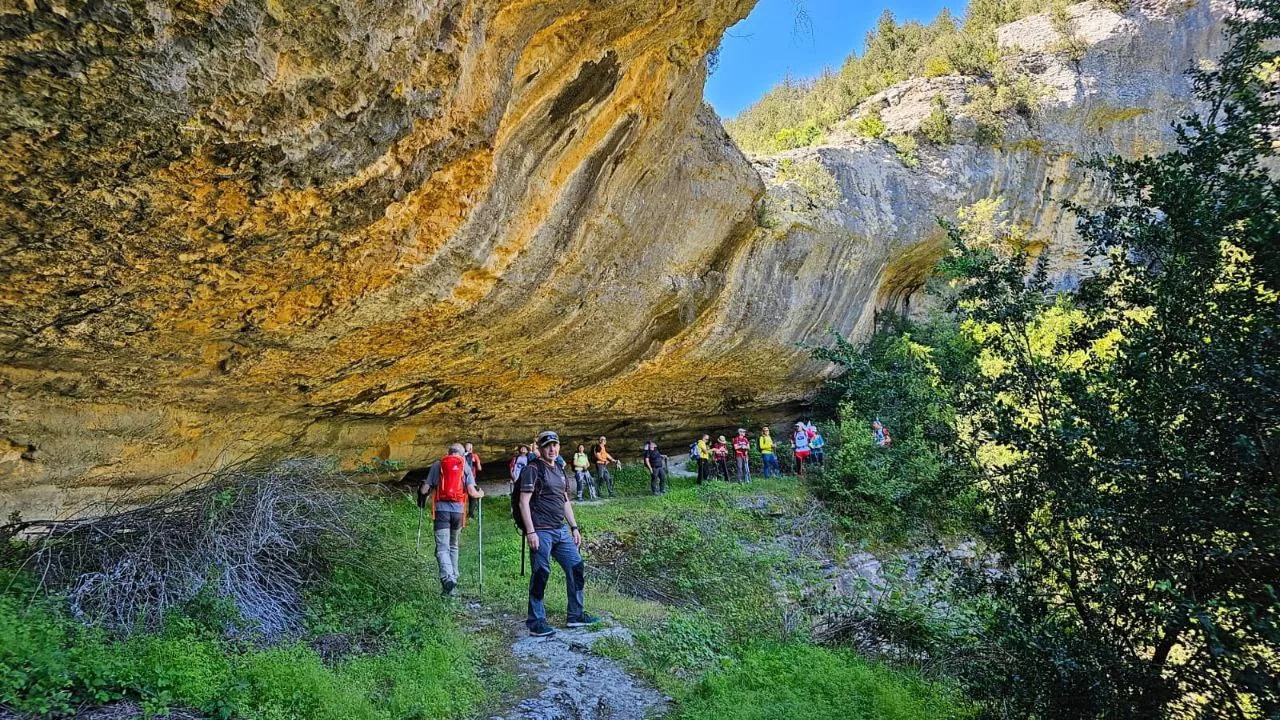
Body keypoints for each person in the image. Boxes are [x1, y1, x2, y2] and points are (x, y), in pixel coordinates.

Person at [518, 431, 598, 636]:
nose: (552, 449)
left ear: (559, 447)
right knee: (541, 573)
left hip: (560, 530)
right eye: (547, 446)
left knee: (576, 566)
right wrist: (531, 532)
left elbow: (564, 501)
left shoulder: (560, 470)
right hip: (541, 531)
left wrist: (574, 527)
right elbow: (523, 502)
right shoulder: (533, 469)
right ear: (541, 449)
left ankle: (575, 615)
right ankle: (536, 622)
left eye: (555, 445)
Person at [420, 443, 485, 596]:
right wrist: (480, 494)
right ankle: (453, 582)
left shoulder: (438, 464)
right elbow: (472, 492)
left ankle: (448, 577)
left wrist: (423, 487)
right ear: (462, 454)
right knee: (453, 546)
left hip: (441, 511)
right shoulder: (465, 465)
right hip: (458, 512)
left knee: (442, 548)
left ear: (448, 452)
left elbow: (425, 489)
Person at [463, 442, 483, 520]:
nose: (470, 448)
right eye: (468, 447)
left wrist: (476, 462)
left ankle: (470, 514)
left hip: (472, 479)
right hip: (463, 479)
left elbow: (479, 468)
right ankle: (463, 513)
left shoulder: (474, 456)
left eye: (471, 447)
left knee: (472, 497)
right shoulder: (462, 456)